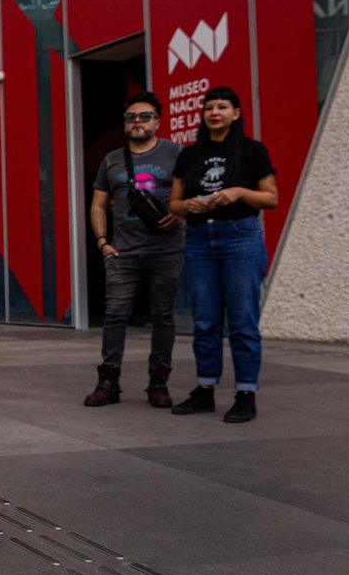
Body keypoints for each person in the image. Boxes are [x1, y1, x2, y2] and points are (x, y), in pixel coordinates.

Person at [169, 86, 277, 423]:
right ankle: (205, 390)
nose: (215, 112)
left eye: (222, 107)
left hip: (240, 237)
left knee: (243, 320)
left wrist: (241, 192)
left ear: (236, 113)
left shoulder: (252, 150)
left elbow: (271, 198)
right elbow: (174, 204)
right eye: (209, 107)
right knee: (205, 320)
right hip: (200, 238)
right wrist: (187, 205)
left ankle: (246, 393)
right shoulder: (189, 155)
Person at [86, 92, 184, 408]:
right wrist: (103, 242)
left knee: (163, 316)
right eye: (131, 117)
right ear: (125, 123)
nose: (137, 122)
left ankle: (159, 383)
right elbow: (98, 205)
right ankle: (108, 382)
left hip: (166, 250)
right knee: (115, 316)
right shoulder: (112, 160)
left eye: (144, 116)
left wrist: (180, 214)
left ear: (157, 121)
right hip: (122, 252)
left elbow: (192, 195)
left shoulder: (176, 154)